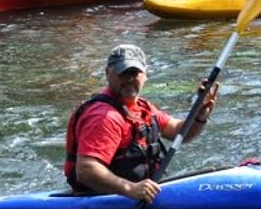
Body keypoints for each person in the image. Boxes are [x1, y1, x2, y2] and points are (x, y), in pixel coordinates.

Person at [64, 44, 218, 200]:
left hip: (141, 192)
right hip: (104, 200)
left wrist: (200, 115)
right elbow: (86, 170)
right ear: (107, 73)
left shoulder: (143, 108)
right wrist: (130, 189)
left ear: (145, 74)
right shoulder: (104, 117)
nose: (129, 79)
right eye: (123, 73)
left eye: (134, 72)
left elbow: (181, 133)